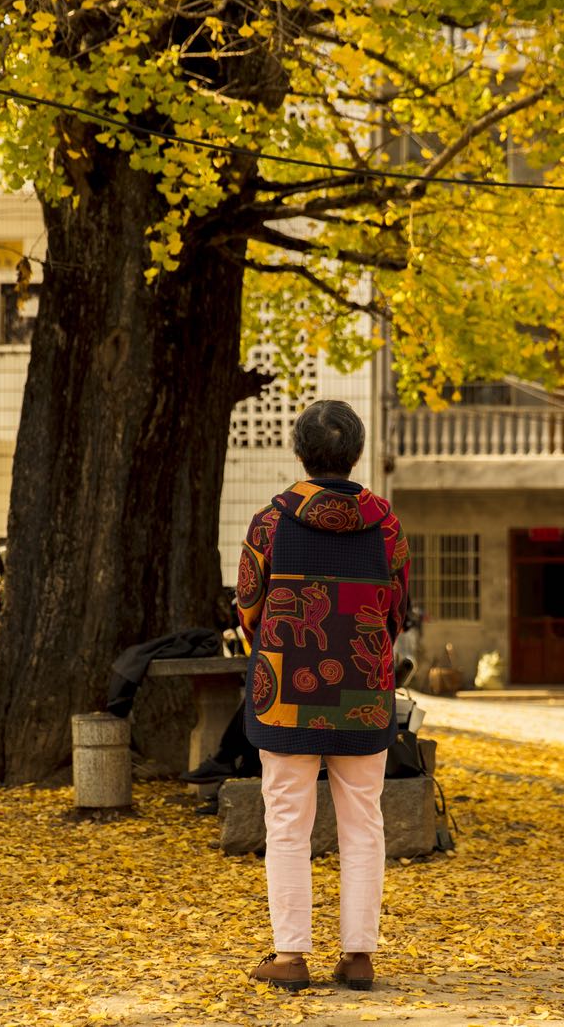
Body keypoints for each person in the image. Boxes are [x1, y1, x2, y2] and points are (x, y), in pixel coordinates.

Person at [240, 400, 410, 993]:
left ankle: (290, 956)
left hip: (285, 691)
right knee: (364, 821)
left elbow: (247, 609)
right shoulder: (385, 524)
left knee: (287, 821)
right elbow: (397, 612)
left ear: (300, 451)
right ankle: (358, 956)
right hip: (364, 691)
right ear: (357, 454)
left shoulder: (269, 523)